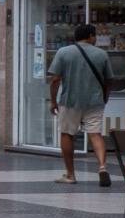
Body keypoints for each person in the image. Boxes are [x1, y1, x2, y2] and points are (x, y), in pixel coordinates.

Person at [47, 20, 118, 187]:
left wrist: (53, 101)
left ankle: (70, 174)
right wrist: (105, 97)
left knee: (67, 134)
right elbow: (109, 80)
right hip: (95, 101)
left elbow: (55, 79)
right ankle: (102, 167)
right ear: (91, 36)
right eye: (95, 36)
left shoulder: (63, 52)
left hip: (69, 101)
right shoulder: (101, 54)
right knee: (95, 134)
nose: (96, 39)